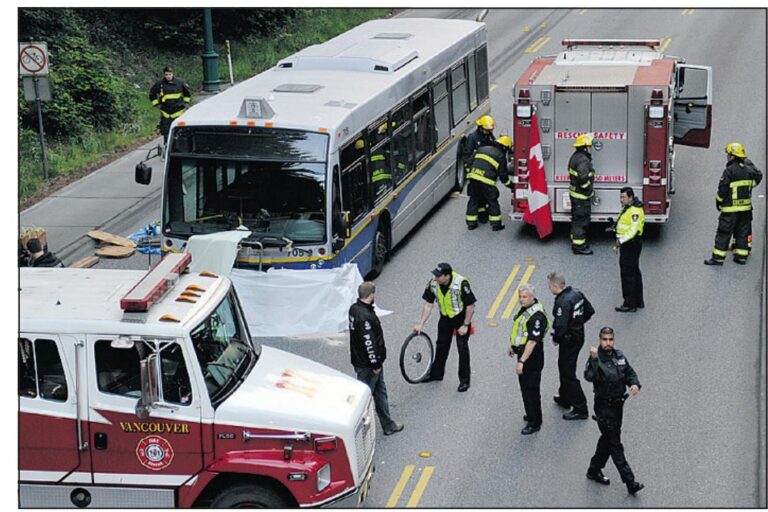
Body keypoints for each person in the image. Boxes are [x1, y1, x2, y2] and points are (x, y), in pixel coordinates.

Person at [584, 327, 643, 495]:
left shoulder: (619, 356)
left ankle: (594, 469)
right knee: (615, 445)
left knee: (608, 440)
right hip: (604, 407)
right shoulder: (596, 358)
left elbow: (629, 372)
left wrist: (634, 383)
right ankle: (630, 482)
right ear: (600, 339)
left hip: (618, 406)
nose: (607, 343)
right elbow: (590, 377)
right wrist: (594, 360)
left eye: (610, 339)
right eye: (604, 340)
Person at [348, 281, 404, 436]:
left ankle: (388, 424)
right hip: (369, 365)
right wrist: (375, 363)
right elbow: (369, 342)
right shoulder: (365, 316)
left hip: (360, 361)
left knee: (380, 392)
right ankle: (355, 431)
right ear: (371, 294)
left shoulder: (354, 309)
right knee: (364, 399)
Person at [414, 263, 476, 392]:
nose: (436, 277)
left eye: (439, 275)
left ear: (447, 276)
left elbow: (470, 306)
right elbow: (428, 304)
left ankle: (464, 381)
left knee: (462, 348)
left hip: (461, 317)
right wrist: (421, 323)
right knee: (441, 345)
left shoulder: (461, 283)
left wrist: (465, 325)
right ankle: (437, 373)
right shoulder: (433, 283)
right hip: (445, 318)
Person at [704, 142, 763, 266]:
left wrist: (718, 202)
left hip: (730, 209)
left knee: (724, 232)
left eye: (728, 154)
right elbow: (758, 176)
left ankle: (718, 258)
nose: (727, 156)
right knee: (742, 231)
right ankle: (741, 256)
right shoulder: (748, 168)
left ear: (732, 156)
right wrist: (750, 187)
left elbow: (723, 189)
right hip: (746, 209)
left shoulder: (729, 171)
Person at [547, 271, 594, 420]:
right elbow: (589, 311)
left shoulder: (562, 302)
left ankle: (580, 408)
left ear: (555, 285)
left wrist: (556, 338)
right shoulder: (577, 293)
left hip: (569, 341)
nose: (549, 289)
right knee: (563, 366)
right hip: (578, 336)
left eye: (550, 286)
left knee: (568, 373)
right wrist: (577, 324)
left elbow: (560, 326)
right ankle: (565, 397)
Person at [508, 283, 549, 435]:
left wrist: (522, 361)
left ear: (532, 297)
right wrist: (513, 345)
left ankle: (535, 422)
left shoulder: (537, 316)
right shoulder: (527, 310)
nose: (521, 300)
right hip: (523, 352)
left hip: (532, 357)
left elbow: (532, 341)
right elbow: (520, 330)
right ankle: (531, 413)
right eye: (520, 297)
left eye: (524, 297)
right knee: (525, 388)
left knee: (531, 389)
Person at [465, 136, 513, 231]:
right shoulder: (500, 156)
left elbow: (469, 162)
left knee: (474, 199)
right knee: (492, 201)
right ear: (504, 147)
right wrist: (512, 186)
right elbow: (504, 177)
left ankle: (471, 223)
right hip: (487, 181)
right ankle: (496, 224)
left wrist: (471, 173)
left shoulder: (481, 148)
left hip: (473, 177)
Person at [610, 187, 645, 312]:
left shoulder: (634, 211)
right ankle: (638, 300)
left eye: (623, 197)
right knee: (634, 271)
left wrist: (621, 240)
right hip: (631, 244)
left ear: (630, 197)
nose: (621, 199)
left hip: (630, 245)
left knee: (627, 274)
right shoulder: (629, 208)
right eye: (620, 197)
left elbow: (633, 230)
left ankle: (629, 304)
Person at [458, 115, 496, 221]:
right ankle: (472, 221)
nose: (488, 132)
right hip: (475, 171)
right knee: (475, 196)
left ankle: (482, 215)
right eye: (486, 130)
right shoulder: (473, 138)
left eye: (490, 130)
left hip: (486, 171)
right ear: (480, 128)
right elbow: (467, 155)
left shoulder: (489, 137)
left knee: (484, 195)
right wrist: (469, 170)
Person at [568, 133, 596, 255]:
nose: (591, 148)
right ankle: (579, 246)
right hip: (581, 196)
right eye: (590, 146)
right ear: (584, 147)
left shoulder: (575, 156)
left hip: (575, 195)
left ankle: (576, 240)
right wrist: (588, 190)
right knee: (581, 221)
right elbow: (583, 178)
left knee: (577, 219)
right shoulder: (583, 161)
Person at [149, 66, 192, 145]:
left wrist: (185, 104)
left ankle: (181, 145)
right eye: (166, 74)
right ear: (164, 75)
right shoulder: (159, 84)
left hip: (178, 111)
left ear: (172, 74)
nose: (168, 76)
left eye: (170, 74)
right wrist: (156, 104)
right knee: (166, 130)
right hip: (165, 111)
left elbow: (187, 94)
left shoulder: (180, 82)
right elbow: (152, 94)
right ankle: (167, 145)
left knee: (180, 130)